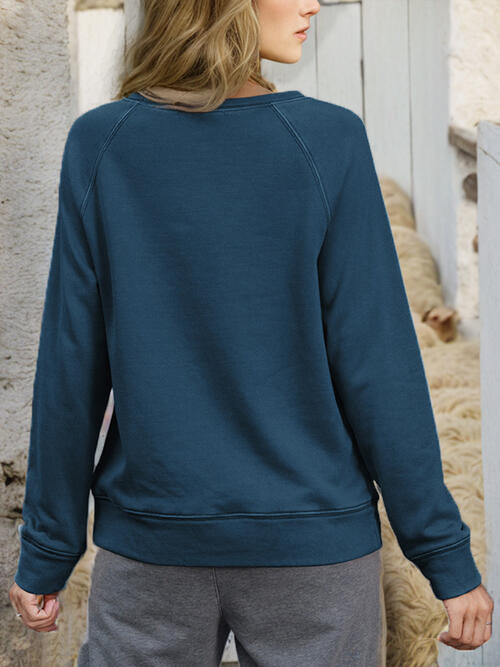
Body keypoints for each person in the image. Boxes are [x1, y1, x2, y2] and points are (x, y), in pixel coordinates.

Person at [9, 0, 494, 663]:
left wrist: (47, 550)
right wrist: (445, 557)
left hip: (153, 546)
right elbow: (379, 367)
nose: (313, 2)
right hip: (314, 553)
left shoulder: (103, 143)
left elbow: (71, 367)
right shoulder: (328, 141)